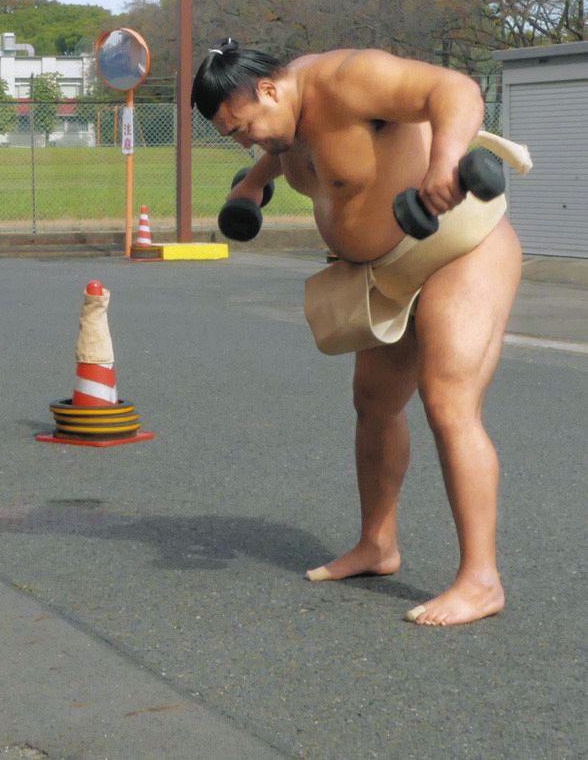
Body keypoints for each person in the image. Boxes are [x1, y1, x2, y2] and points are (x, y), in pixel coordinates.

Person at [192, 40, 522, 626]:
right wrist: (249, 186)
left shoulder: (351, 78)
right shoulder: (283, 120)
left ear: (268, 89)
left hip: (458, 249)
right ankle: (378, 545)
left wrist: (445, 160)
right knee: (373, 403)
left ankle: (481, 580)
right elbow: (293, 144)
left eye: (243, 128)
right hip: (385, 270)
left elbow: (455, 90)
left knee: (448, 403)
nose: (245, 142)